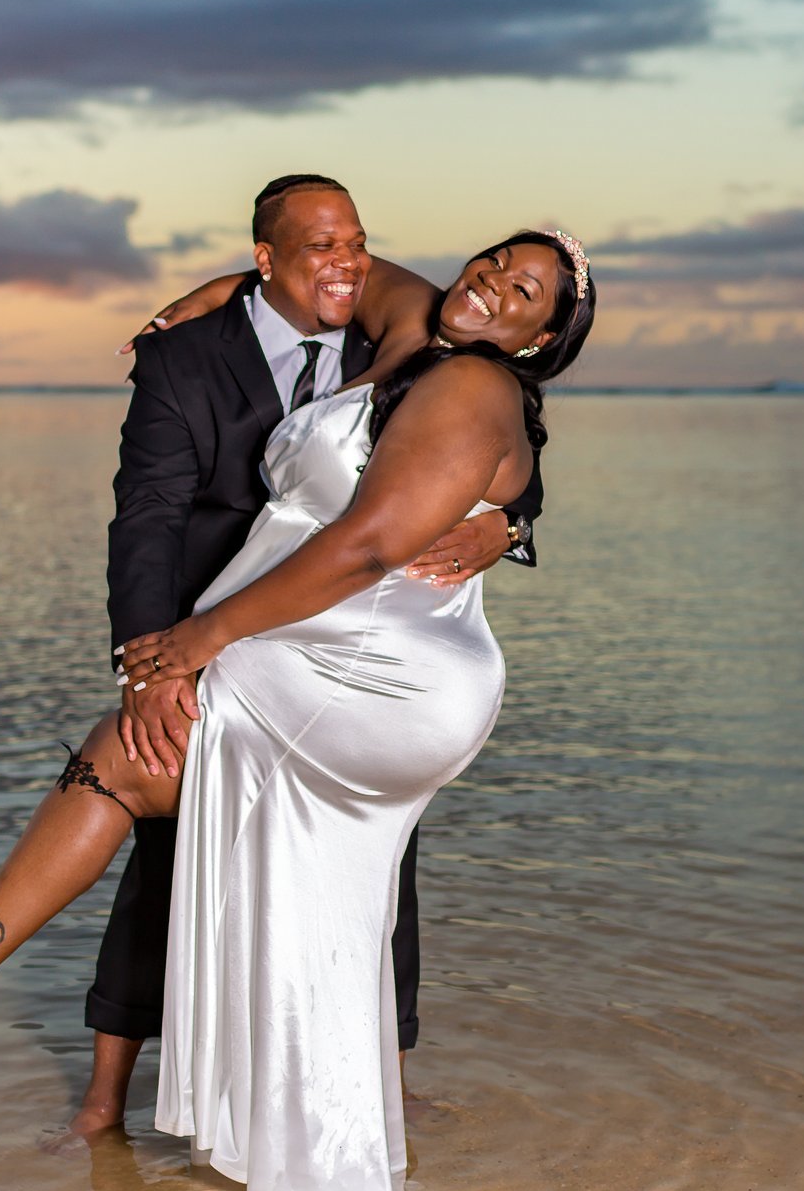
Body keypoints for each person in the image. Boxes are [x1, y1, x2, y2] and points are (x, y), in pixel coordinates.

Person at [0, 226, 598, 1191]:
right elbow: (353, 278)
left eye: (523, 291)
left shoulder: (474, 384)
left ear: (537, 338)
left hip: (378, 665)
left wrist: (199, 638)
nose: (490, 284)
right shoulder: (412, 323)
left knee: (133, 750)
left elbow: (363, 545)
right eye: (492, 260)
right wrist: (237, 280)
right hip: (314, 639)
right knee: (151, 763)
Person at [77, 174, 543, 1140]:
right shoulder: (187, 359)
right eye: (318, 248)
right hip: (211, 631)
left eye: (355, 245)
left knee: (378, 862)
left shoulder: (412, 338)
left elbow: (499, 438)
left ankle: (380, 1080)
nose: (344, 263)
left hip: (350, 650)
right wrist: (149, 660)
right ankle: (103, 1104)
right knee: (164, 847)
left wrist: (511, 522)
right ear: (268, 259)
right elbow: (147, 518)